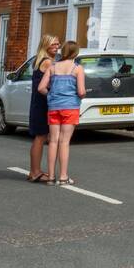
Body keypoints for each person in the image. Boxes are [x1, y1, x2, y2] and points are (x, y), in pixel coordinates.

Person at [38, 40, 85, 186]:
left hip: (53, 107)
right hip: (70, 107)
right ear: (75, 53)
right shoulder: (77, 69)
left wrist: (51, 95)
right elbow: (81, 91)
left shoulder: (52, 67)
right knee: (64, 142)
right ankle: (63, 176)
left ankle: (51, 176)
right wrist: (81, 96)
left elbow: (41, 88)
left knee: (53, 141)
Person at [26, 35, 61, 183]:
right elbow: (58, 77)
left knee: (40, 137)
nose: (57, 46)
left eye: (58, 44)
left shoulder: (39, 60)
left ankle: (34, 170)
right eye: (53, 44)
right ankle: (35, 172)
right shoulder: (47, 62)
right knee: (40, 137)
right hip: (42, 103)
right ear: (46, 45)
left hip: (38, 102)